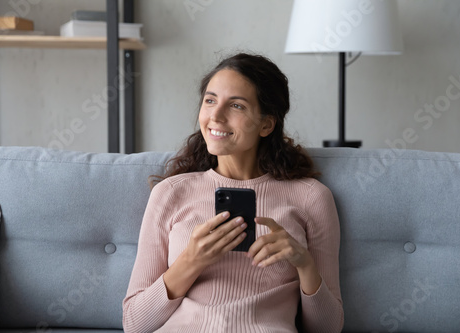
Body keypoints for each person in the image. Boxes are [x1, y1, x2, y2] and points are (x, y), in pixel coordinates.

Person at [123, 53, 344, 333]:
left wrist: (304, 264)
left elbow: (328, 328)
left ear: (266, 124)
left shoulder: (311, 197)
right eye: (210, 100)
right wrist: (192, 260)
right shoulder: (170, 193)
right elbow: (134, 324)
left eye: (236, 105)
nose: (215, 116)